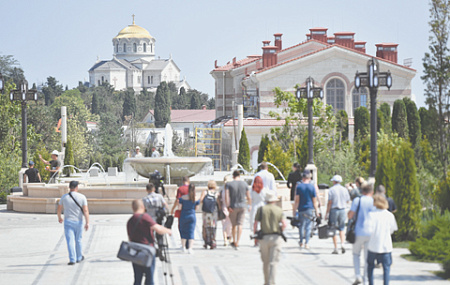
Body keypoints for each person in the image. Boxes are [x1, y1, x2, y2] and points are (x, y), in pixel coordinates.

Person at [127, 199, 172, 285]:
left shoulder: (130, 221)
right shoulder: (145, 217)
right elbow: (158, 229)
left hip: (135, 253)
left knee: (137, 278)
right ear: (142, 207)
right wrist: (168, 230)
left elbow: (130, 238)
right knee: (149, 278)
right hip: (147, 251)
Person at [254, 192, 287, 285]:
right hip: (276, 237)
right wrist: (281, 229)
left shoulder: (261, 210)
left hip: (264, 238)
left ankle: (265, 281)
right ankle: (271, 282)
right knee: (273, 262)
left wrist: (255, 236)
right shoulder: (278, 210)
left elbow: (255, 224)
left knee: (265, 262)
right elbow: (284, 224)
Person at [348, 183, 376, 285]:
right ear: (371, 192)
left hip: (358, 231)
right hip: (371, 232)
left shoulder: (357, 200)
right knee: (367, 257)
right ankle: (366, 279)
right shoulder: (374, 201)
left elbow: (351, 215)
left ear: (362, 191)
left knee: (356, 254)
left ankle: (358, 275)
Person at [367, 194, 398, 285]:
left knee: (370, 267)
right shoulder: (389, 215)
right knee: (386, 268)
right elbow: (392, 229)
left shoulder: (370, 215)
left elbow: (367, 230)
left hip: (372, 245)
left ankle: (371, 283)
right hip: (386, 245)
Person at [57, 181, 89, 265]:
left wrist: (59, 217)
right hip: (79, 221)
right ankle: (79, 257)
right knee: (78, 240)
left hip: (68, 222)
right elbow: (85, 210)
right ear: (77, 187)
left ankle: (72, 259)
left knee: (70, 241)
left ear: (69, 187)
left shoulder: (64, 197)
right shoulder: (82, 197)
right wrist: (87, 222)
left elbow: (59, 209)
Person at [292, 170, 320, 249]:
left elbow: (296, 200)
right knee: (308, 227)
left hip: (301, 208)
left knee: (301, 226)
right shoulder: (312, 187)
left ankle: (301, 242)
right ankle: (306, 243)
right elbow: (314, 201)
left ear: (303, 178)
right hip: (309, 208)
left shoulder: (299, 187)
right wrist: (317, 212)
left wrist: (294, 211)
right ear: (309, 178)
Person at [225, 170, 252, 250]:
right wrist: (249, 205)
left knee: (234, 225)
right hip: (242, 206)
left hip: (233, 206)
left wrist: (228, 206)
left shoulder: (229, 184)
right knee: (240, 224)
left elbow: (227, 196)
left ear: (233, 176)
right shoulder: (244, 184)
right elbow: (248, 196)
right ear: (239, 176)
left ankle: (233, 239)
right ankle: (238, 241)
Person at [325, 174, 350, 254]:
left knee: (333, 229)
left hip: (334, 210)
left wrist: (327, 213)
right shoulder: (344, 189)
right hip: (342, 210)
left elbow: (330, 202)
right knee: (342, 228)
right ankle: (342, 244)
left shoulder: (332, 190)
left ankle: (336, 247)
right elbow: (347, 200)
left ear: (334, 181)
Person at [179, 184, 200, 253]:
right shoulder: (196, 198)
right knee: (191, 231)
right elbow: (197, 208)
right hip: (192, 215)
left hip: (184, 215)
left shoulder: (183, 198)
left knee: (183, 231)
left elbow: (179, 208)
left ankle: (183, 247)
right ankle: (190, 248)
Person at [199, 180, 219, 249]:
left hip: (205, 212)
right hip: (213, 212)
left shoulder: (205, 192)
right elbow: (218, 203)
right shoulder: (216, 193)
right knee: (213, 226)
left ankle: (206, 241)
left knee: (205, 226)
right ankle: (212, 241)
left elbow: (201, 200)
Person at [249, 176, 268, 246]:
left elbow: (250, 198)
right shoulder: (263, 189)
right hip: (262, 206)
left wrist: (249, 206)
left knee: (255, 224)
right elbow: (266, 197)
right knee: (262, 224)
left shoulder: (252, 189)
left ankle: (255, 240)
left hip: (255, 206)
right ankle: (261, 239)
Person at [217, 175, 233, 246]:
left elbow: (218, 199)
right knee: (231, 224)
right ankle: (230, 239)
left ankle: (225, 240)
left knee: (224, 225)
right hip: (231, 208)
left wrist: (220, 207)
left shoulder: (221, 190)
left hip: (224, 208)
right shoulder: (232, 189)